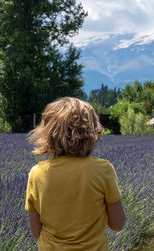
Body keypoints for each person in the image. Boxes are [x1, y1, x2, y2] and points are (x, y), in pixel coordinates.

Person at [25, 97, 125, 250]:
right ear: (91, 132)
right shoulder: (103, 169)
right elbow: (118, 224)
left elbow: (36, 231)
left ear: (48, 133)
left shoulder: (37, 173)